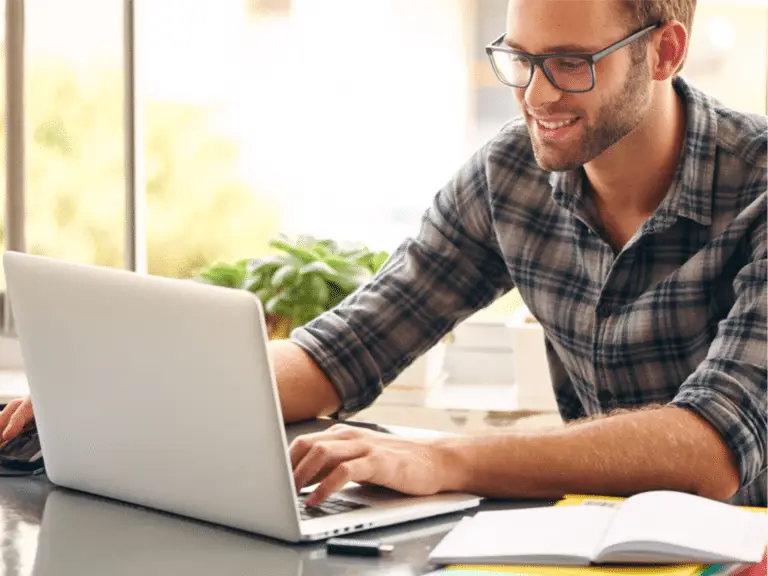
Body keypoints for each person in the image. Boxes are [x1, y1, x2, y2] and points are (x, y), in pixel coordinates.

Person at [1, 0, 766, 509]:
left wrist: (446, 458)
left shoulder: (758, 185)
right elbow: (343, 350)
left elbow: (712, 449)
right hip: (593, 544)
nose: (535, 95)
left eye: (570, 63)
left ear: (665, 51)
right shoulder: (511, 175)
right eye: (518, 59)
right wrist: (117, 386)